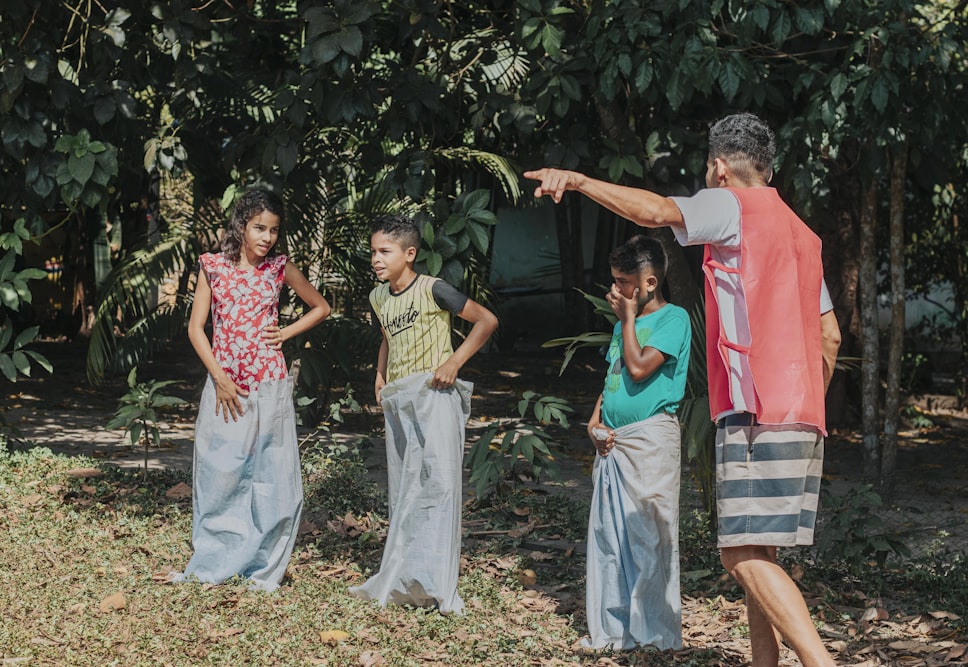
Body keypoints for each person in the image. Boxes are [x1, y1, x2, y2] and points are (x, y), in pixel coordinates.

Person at [525, 112, 842, 667]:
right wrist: (804, 400)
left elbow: (653, 211)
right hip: (801, 410)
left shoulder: (733, 204)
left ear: (720, 166)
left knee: (739, 555)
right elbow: (831, 336)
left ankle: (822, 663)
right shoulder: (803, 234)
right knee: (759, 550)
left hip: (756, 409)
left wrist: (575, 181)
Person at [176, 187, 331, 591]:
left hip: (269, 383)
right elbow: (196, 328)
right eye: (259, 227)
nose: (267, 237)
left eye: (274, 230)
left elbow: (321, 307)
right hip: (225, 384)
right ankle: (218, 555)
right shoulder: (212, 265)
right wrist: (219, 377)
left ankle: (264, 562)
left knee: (271, 474)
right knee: (220, 471)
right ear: (241, 225)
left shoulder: (280, 268)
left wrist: (286, 332)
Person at [348, 213, 498, 615]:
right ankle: (404, 574)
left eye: (385, 251)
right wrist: (379, 375)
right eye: (373, 251)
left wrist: (454, 363)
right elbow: (386, 338)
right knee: (405, 490)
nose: (376, 259)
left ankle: (437, 582)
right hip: (399, 399)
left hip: (436, 396)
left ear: (409, 254)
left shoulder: (434, 289)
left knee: (440, 486)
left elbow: (486, 320)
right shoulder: (378, 297)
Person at [583, 235, 691, 652]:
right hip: (613, 442)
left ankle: (655, 636)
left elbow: (640, 367)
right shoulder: (619, 325)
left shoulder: (674, 319)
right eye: (613, 280)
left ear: (648, 283)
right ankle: (615, 632)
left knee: (649, 536)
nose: (615, 291)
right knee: (610, 537)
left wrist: (628, 320)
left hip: (650, 440)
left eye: (623, 282)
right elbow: (614, 374)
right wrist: (595, 420)